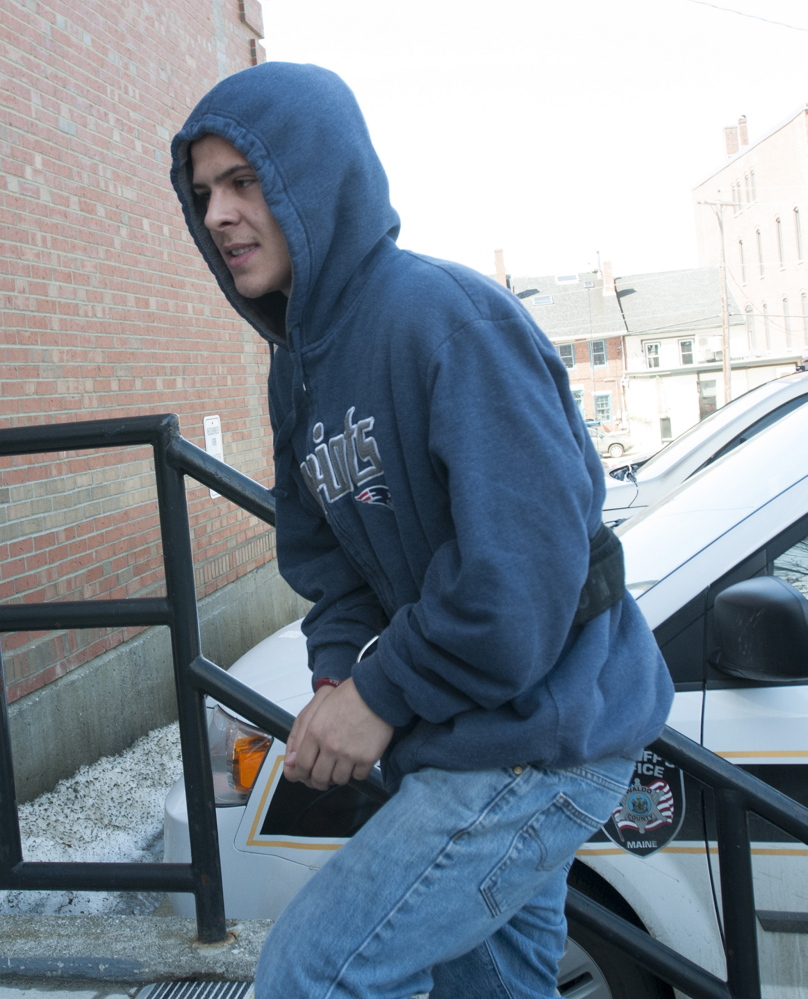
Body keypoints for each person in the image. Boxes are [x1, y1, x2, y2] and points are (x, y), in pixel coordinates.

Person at [170, 62, 674, 999]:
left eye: (244, 182)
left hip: (546, 731)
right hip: (462, 730)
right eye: (203, 194)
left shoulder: (445, 320)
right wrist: (339, 676)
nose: (219, 215)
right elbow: (329, 562)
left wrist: (383, 691)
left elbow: (520, 581)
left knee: (312, 971)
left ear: (315, 180)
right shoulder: (298, 367)